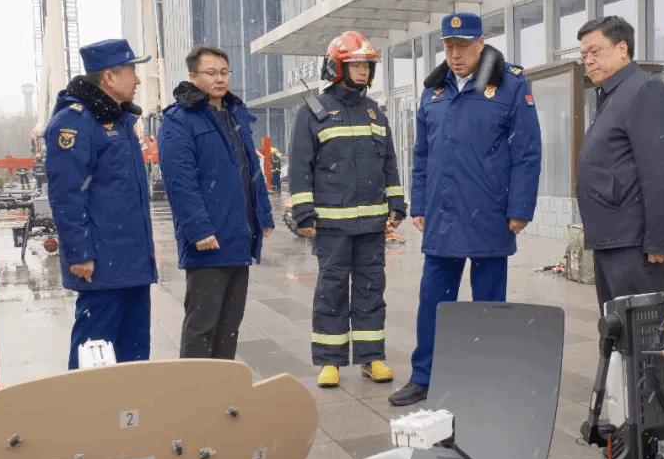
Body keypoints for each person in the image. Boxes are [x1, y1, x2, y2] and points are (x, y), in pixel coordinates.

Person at [389, 12, 542, 407]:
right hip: (442, 213)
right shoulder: (433, 92)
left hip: (490, 212)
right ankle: (425, 375)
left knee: (488, 304)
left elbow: (527, 152)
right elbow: (422, 155)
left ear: (480, 44)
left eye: (462, 46)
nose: (454, 55)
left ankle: (485, 377)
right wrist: (420, 203)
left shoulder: (510, 86)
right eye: (448, 46)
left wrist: (520, 208)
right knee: (433, 301)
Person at [288, 31, 406, 388]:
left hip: (371, 225)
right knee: (332, 291)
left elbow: (389, 162)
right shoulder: (313, 112)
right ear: (336, 67)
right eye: (355, 64)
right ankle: (330, 361)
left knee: (371, 290)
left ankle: (372, 358)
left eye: (367, 65)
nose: (363, 71)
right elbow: (300, 166)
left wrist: (396, 202)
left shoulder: (375, 112)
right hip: (332, 227)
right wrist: (303, 213)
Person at [44, 39, 157, 369]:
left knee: (134, 353)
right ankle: (85, 406)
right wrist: (79, 253)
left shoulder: (120, 121)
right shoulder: (74, 123)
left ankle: (129, 402)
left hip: (132, 262)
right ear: (109, 77)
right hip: (103, 264)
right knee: (93, 354)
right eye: (132, 71)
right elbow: (66, 195)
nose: (138, 80)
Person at [158, 45, 275, 360]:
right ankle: (196, 387)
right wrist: (198, 229)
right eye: (211, 73)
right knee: (202, 326)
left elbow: (252, 169)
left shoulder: (234, 114)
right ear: (193, 76)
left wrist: (263, 215)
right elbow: (180, 181)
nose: (219, 79)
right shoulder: (179, 119)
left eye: (224, 72)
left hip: (238, 236)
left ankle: (223, 385)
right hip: (208, 241)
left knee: (230, 325)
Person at [575, 15, 664, 309]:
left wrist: (659, 240)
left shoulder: (644, 90)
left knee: (640, 329)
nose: (588, 61)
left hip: (634, 245)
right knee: (616, 326)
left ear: (622, 49)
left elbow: (660, 170)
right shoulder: (612, 95)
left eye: (595, 51)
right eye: (584, 55)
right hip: (610, 240)